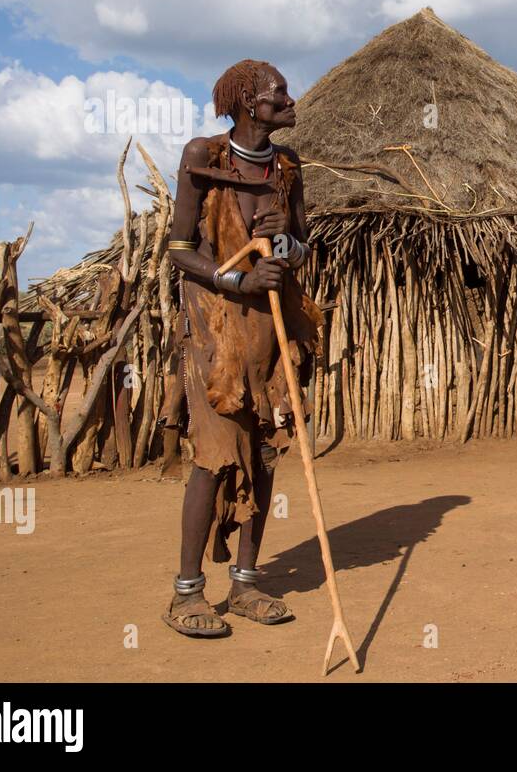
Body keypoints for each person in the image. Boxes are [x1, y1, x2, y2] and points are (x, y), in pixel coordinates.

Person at [161, 59, 322, 637]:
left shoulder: (286, 167)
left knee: (264, 454)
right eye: (278, 92)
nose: (289, 98)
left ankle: (248, 582)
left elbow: (302, 247)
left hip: (270, 333)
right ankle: (186, 594)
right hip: (216, 332)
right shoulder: (203, 158)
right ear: (248, 102)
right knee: (214, 455)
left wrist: (282, 238)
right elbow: (180, 249)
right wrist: (237, 281)